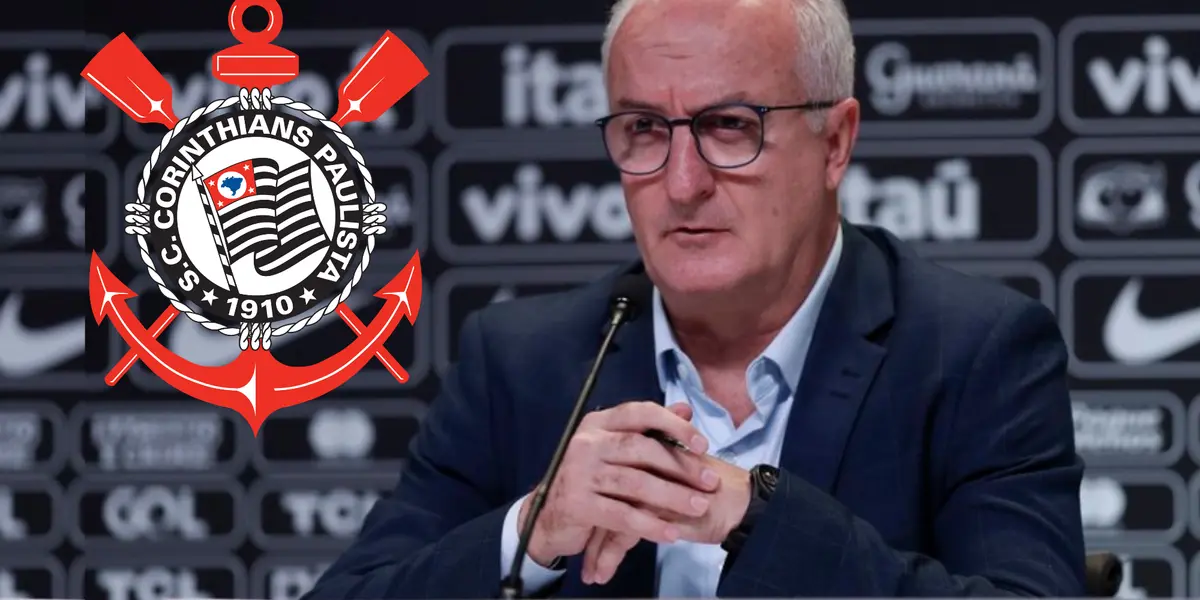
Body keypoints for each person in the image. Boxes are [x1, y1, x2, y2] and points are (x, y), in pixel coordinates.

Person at [304, 0, 1086, 596]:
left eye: (729, 125)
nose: (682, 183)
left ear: (835, 141)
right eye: (645, 128)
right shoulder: (521, 360)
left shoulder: (972, 350)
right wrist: (529, 532)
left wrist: (758, 519)